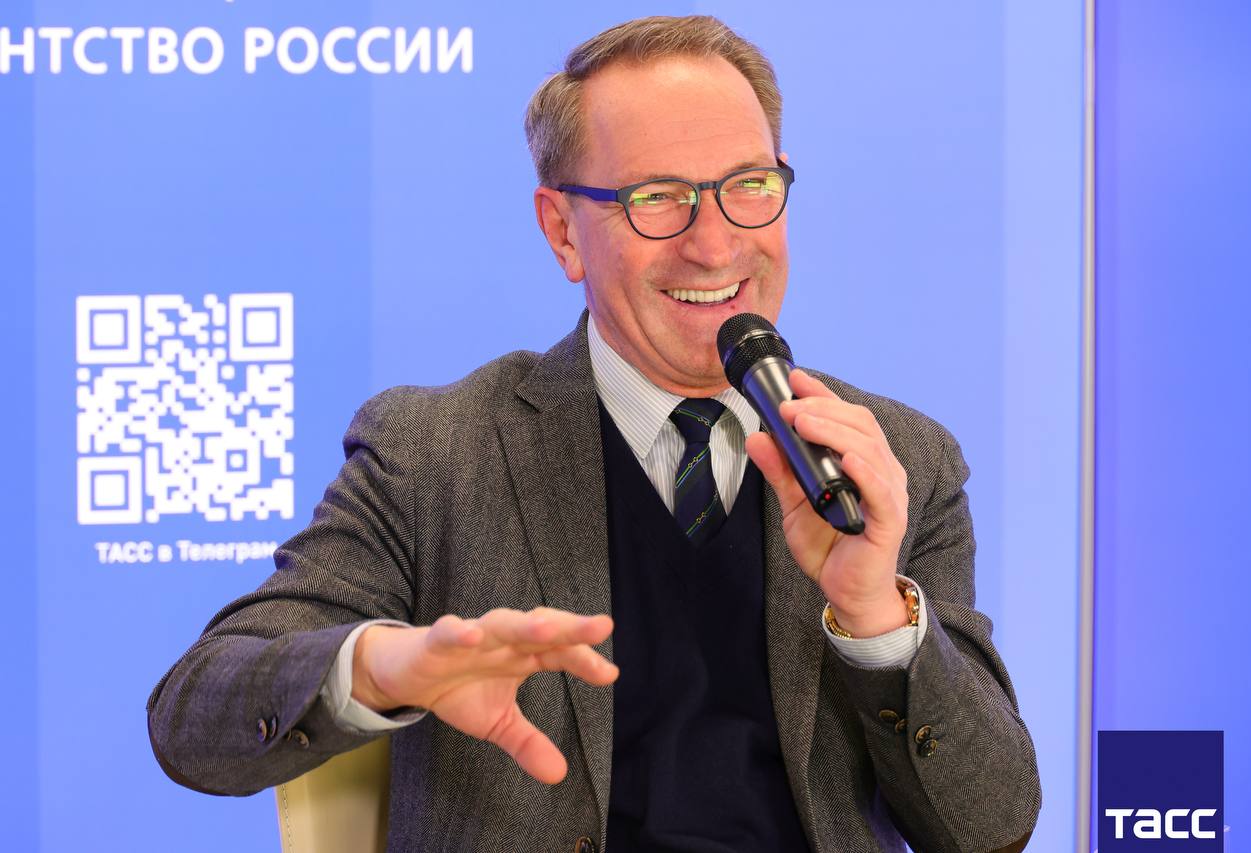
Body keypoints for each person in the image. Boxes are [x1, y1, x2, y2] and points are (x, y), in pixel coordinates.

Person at [148, 15, 1040, 853]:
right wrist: (387, 665)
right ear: (562, 231)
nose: (715, 244)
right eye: (657, 198)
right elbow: (193, 715)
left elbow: (991, 825)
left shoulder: (894, 463)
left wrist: (877, 615)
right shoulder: (434, 453)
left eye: (749, 186)